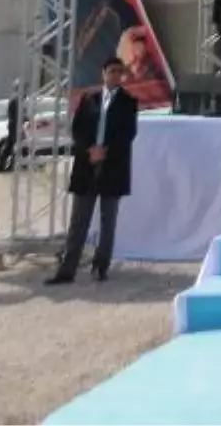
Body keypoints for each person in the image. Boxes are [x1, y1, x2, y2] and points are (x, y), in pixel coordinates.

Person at [45, 56, 138, 285]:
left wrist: (105, 151)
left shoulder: (128, 102)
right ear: (103, 73)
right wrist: (90, 149)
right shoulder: (88, 98)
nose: (116, 75)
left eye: (120, 71)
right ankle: (67, 270)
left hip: (113, 166)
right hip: (86, 166)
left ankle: (100, 266)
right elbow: (77, 129)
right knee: (79, 220)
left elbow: (128, 134)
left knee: (108, 221)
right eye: (112, 71)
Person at [0, 79, 20, 173]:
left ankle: (5, 165)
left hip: (14, 125)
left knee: (10, 146)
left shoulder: (16, 99)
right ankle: (9, 165)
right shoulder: (16, 99)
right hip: (15, 125)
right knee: (13, 146)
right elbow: (16, 114)